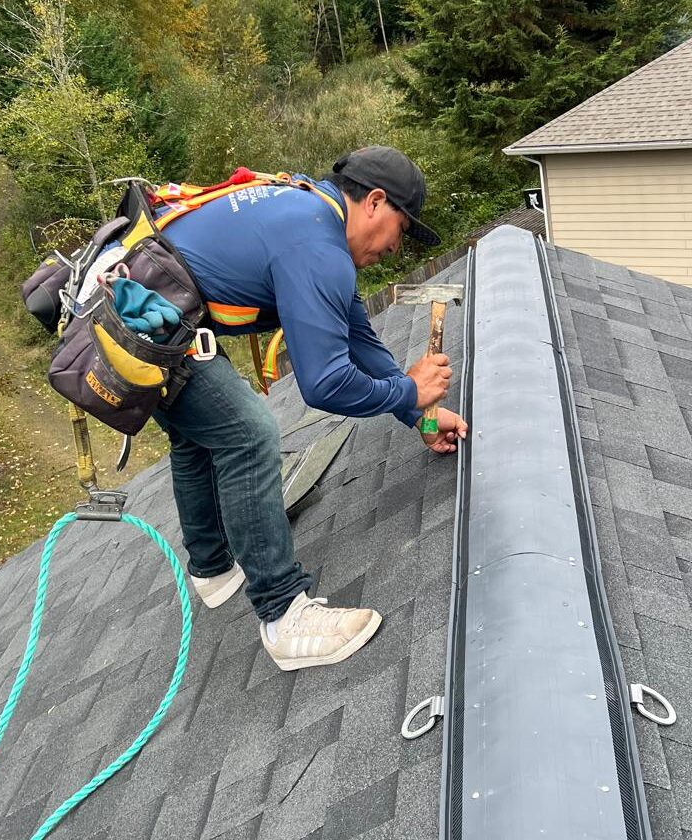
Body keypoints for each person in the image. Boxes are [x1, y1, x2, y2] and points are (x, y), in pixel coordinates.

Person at [154, 146, 468, 671]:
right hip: (142, 327)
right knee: (248, 433)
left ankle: (211, 570)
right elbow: (324, 385)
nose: (396, 248)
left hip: (132, 315)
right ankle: (283, 615)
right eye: (401, 228)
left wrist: (421, 416)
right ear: (374, 201)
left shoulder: (311, 214)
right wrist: (411, 392)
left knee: (197, 432)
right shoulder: (315, 245)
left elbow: (360, 344)